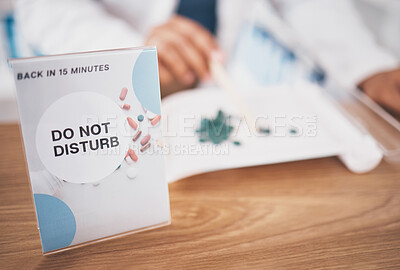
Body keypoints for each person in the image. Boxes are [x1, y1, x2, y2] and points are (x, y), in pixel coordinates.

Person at [15, 0, 400, 113]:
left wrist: (369, 66)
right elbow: (44, 6)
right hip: (101, 95)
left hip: (209, 93)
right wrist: (126, 52)